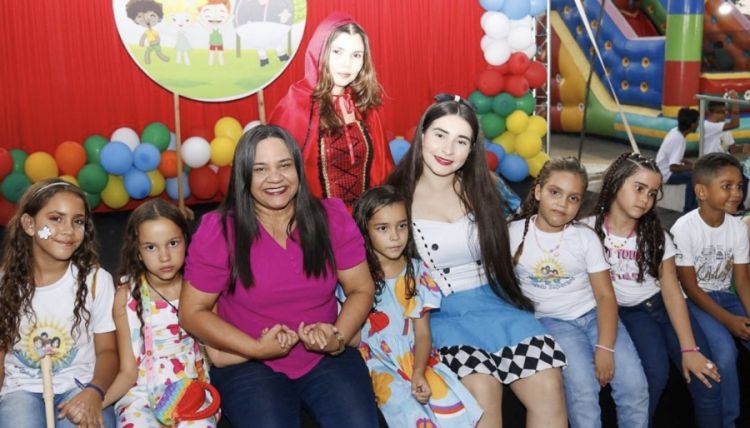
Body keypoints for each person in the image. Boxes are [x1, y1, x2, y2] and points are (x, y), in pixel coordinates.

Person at [178, 125, 379, 428]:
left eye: (284, 165)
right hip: (249, 362)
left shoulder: (331, 217)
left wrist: (337, 337)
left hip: (324, 354)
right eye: (260, 169)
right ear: (244, 176)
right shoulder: (219, 230)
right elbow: (192, 312)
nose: (275, 178)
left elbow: (361, 288)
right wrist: (255, 348)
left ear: (298, 168)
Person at [388, 94, 567, 428]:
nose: (447, 149)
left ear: (471, 149)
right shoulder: (395, 197)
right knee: (482, 391)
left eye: (461, 141)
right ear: (422, 134)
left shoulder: (486, 187)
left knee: (549, 383)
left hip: (495, 301)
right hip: (439, 312)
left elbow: (523, 228)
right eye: (440, 135)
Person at [509, 157, 649, 428]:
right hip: (552, 322)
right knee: (583, 391)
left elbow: (605, 296)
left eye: (573, 198)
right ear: (537, 192)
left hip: (595, 315)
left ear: (581, 202)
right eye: (555, 192)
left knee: (634, 387)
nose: (562, 203)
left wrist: (605, 347)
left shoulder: (585, 238)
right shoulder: (512, 234)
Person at [590, 152, 722, 427]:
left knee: (706, 374)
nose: (645, 199)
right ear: (615, 183)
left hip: (661, 305)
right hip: (630, 313)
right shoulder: (587, 231)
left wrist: (689, 349)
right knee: (654, 373)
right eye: (639, 188)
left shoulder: (655, 236)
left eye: (652, 193)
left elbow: (672, 292)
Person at [351, 185, 483, 427]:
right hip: (377, 362)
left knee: (451, 408)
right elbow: (352, 336)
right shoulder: (356, 277)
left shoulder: (418, 272)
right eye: (383, 228)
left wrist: (419, 372)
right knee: (410, 412)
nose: (395, 236)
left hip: (417, 357)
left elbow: (422, 333)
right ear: (364, 230)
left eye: (402, 226)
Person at [0, 179, 118, 427]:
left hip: (80, 387)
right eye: (56, 218)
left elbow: (108, 351)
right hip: (20, 390)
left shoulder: (96, 281)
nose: (68, 230)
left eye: (78, 221)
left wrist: (95, 391)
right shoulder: (4, 284)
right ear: (29, 224)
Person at [103, 199, 218, 427]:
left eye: (173, 243)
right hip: (141, 395)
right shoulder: (126, 297)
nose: (164, 256)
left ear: (186, 241)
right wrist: (98, 402)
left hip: (191, 391)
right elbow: (128, 371)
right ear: (137, 251)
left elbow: (218, 353)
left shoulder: (201, 290)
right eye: (151, 247)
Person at [269, 11, 393, 208]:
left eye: (356, 55)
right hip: (315, 220)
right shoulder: (296, 106)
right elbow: (276, 176)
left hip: (363, 219)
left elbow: (383, 169)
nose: (347, 63)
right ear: (320, 51)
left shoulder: (364, 106)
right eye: (337, 52)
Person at [671, 152, 750, 427]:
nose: (736, 193)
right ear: (702, 192)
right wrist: (729, 320)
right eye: (727, 186)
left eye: (739, 186)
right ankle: (729, 420)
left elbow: (742, 280)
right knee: (725, 353)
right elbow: (690, 287)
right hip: (696, 301)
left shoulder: (737, 228)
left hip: (726, 296)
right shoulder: (684, 228)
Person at [655, 107, 700, 212]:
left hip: (661, 169)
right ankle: (690, 209)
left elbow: (675, 156)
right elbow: (673, 168)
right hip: (665, 174)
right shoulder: (679, 139)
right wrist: (693, 167)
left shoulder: (675, 131)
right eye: (697, 122)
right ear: (692, 124)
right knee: (694, 175)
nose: (698, 124)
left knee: (693, 171)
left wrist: (688, 163)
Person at [703, 91, 743, 155]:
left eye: (725, 112)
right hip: (712, 160)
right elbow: (735, 124)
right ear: (710, 113)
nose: (725, 114)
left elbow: (733, 149)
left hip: (724, 159)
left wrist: (744, 147)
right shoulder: (706, 125)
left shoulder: (724, 127)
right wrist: (735, 101)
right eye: (722, 112)